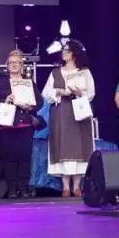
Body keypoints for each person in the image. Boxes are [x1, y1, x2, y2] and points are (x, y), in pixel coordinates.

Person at [42, 40, 95, 197]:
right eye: (63, 50)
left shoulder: (84, 72)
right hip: (61, 112)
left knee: (79, 145)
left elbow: (91, 92)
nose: (64, 52)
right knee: (63, 145)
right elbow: (46, 93)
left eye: (68, 50)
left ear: (75, 54)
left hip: (79, 111)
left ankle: (77, 186)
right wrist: (59, 92)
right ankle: (65, 186)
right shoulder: (55, 72)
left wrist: (79, 93)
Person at [0, 50, 43, 198]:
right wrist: (6, 100)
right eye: (11, 62)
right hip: (7, 124)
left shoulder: (29, 82)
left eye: (17, 62)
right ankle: (12, 188)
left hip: (25, 124)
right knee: (9, 157)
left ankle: (24, 187)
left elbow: (39, 102)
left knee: (24, 157)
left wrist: (30, 107)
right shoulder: (1, 83)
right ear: (7, 65)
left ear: (22, 65)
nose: (14, 65)